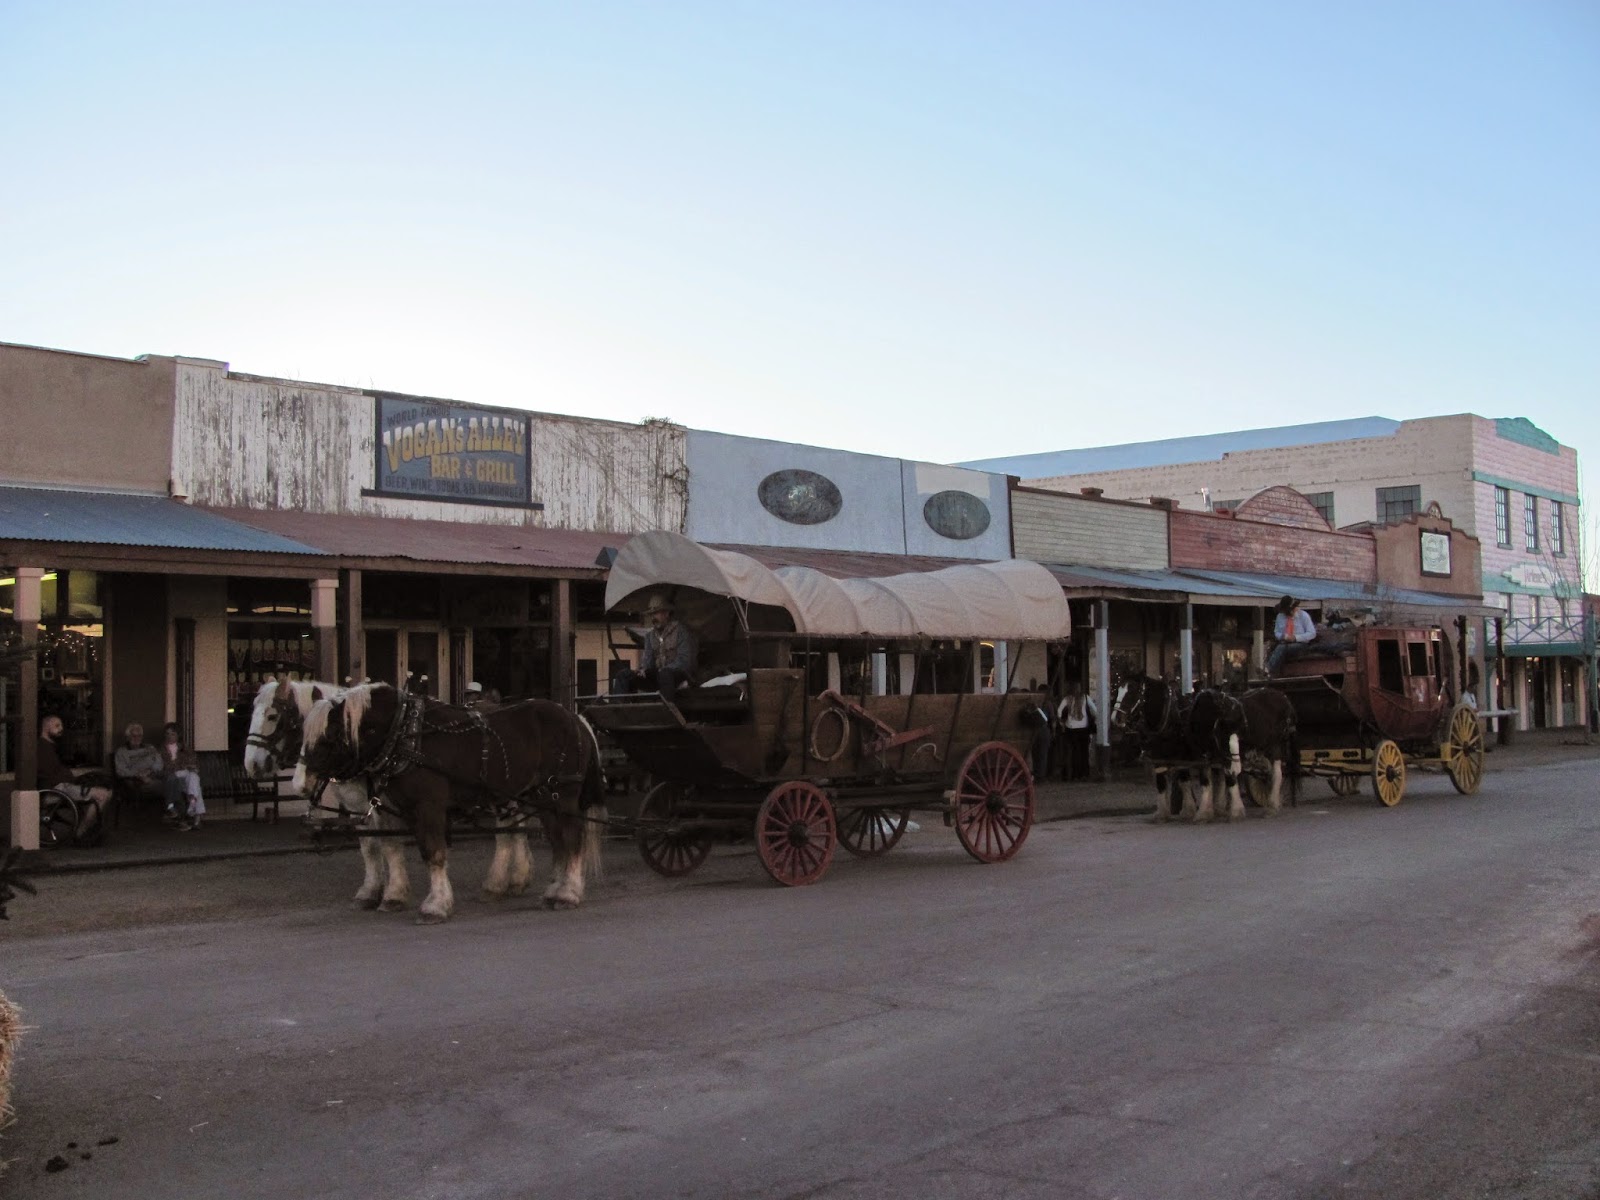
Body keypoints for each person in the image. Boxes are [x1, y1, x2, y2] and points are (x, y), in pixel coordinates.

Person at [37, 715, 115, 840]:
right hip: (56, 790)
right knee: (103, 795)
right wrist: (72, 779)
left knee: (108, 791)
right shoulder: (42, 747)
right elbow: (50, 775)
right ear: (46, 727)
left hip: (64, 786)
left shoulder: (52, 747)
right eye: (57, 726)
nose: (61, 729)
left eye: (61, 725)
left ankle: (91, 829)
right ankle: (81, 833)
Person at [615, 592, 697, 697]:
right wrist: (643, 670)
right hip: (658, 677)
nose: (653, 617)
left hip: (677, 676)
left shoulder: (681, 631)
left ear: (667, 613)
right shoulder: (650, 636)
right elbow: (647, 661)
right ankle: (620, 708)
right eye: (652, 614)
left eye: (657, 613)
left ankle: (666, 708)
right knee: (624, 675)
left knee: (665, 674)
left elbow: (685, 661)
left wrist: (663, 670)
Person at [158, 722, 207, 831]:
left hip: (185, 776)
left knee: (194, 777)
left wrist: (187, 765)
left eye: (172, 734)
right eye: (167, 734)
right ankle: (195, 814)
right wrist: (182, 765)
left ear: (177, 735)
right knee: (193, 781)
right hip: (173, 777)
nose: (169, 736)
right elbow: (166, 766)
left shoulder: (184, 747)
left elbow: (193, 761)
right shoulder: (162, 749)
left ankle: (192, 806)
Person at [113, 722, 166, 811]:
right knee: (169, 786)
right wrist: (139, 775)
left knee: (173, 779)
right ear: (128, 737)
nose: (137, 738)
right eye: (134, 736)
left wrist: (150, 771)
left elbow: (159, 763)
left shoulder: (150, 748)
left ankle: (174, 812)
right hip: (138, 781)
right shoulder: (121, 752)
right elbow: (121, 771)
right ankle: (173, 812)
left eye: (139, 736)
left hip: (154, 774)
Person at [1266, 595, 1318, 677]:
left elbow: (1312, 633)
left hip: (1301, 644)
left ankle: (1268, 669)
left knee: (1281, 648)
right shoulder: (1280, 616)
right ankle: (1275, 674)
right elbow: (1277, 632)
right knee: (1272, 647)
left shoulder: (1304, 616)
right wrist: (1283, 636)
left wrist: (1296, 638)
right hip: (1284, 642)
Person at [1057, 679, 1097, 782]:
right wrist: (1093, 718)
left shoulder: (1067, 699)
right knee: (1084, 752)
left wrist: (1062, 722)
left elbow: (1059, 711)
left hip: (1071, 729)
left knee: (1074, 752)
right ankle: (1084, 773)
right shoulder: (1086, 697)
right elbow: (1094, 710)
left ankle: (1075, 774)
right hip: (1084, 729)